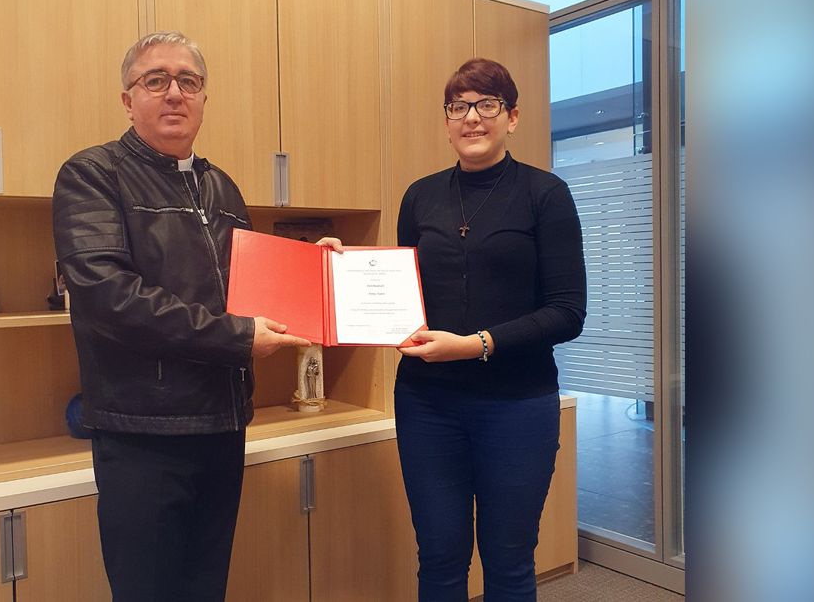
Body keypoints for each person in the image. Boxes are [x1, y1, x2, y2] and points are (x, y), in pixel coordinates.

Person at [52, 31, 310, 601]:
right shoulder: (93, 174)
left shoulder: (222, 188)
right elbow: (109, 296)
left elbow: (253, 286)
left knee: (205, 588)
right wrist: (237, 338)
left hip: (222, 425)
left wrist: (319, 272)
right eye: (156, 80)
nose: (174, 93)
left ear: (203, 98)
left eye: (188, 82)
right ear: (128, 99)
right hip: (142, 433)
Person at [324, 58, 586, 601]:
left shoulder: (545, 194)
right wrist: (345, 268)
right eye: (459, 106)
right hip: (428, 405)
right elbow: (403, 290)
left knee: (509, 560)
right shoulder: (420, 196)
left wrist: (475, 345)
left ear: (512, 117)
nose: (472, 117)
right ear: (446, 121)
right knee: (440, 558)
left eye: (487, 104)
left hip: (517, 405)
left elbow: (568, 312)